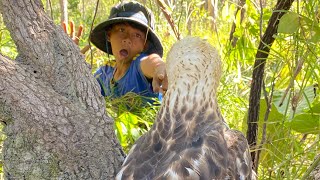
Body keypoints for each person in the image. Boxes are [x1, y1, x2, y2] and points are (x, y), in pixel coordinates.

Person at [88, 1, 167, 105]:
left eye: (137, 35)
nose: (127, 39)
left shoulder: (139, 66)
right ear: (109, 35)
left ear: (145, 45)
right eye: (121, 30)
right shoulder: (104, 73)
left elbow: (153, 63)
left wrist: (161, 70)